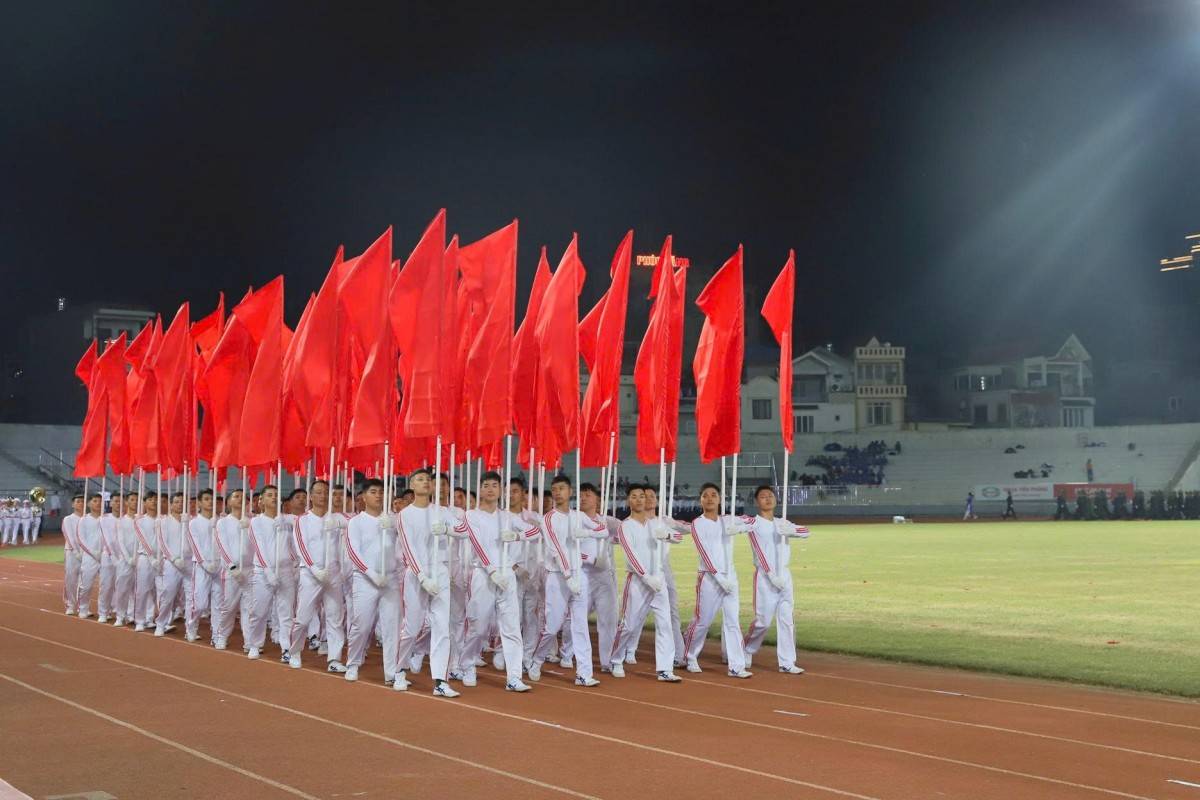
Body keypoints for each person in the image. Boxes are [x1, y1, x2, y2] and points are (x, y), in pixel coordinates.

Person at [456, 471, 536, 692]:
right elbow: (477, 544)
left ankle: (514, 676)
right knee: (479, 626)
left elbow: (535, 532)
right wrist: (492, 571)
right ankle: (468, 664)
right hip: (483, 574)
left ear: (500, 490)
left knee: (511, 626)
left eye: (494, 485)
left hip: (507, 575)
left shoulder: (508, 517)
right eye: (485, 485)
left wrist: (518, 536)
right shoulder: (471, 515)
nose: (490, 489)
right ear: (480, 489)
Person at [526, 475, 606, 686]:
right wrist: (568, 575)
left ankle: (584, 673)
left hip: (579, 576)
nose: (558, 492)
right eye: (554, 489)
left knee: (580, 625)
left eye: (562, 488)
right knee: (553, 626)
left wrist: (586, 532)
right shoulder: (549, 519)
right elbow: (556, 549)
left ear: (570, 492)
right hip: (558, 577)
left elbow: (603, 530)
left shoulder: (579, 516)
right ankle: (537, 659)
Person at [394, 470, 461, 696]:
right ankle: (400, 670)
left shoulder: (442, 512)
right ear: (412, 484)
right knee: (412, 627)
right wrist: (422, 576)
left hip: (440, 570)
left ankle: (440, 680)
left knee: (442, 627)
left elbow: (465, 530)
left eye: (429, 480)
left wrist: (447, 529)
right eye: (420, 479)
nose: (426, 483)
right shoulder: (405, 514)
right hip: (416, 574)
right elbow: (408, 548)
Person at [610, 484, 682, 682]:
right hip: (638, 582)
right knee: (629, 626)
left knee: (665, 623)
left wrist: (665, 535)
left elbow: (677, 537)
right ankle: (616, 659)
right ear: (628, 501)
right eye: (634, 496)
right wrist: (646, 577)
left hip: (659, 580)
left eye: (642, 496)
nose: (639, 500)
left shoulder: (656, 523)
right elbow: (630, 555)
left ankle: (665, 668)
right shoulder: (625, 526)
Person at [681, 483, 752, 678]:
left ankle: (737, 666)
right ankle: (690, 655)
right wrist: (719, 578)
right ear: (701, 500)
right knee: (703, 621)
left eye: (714, 495)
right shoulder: (698, 523)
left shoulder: (728, 520)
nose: (710, 498)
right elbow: (704, 553)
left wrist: (739, 527)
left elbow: (751, 521)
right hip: (709, 578)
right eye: (706, 495)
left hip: (731, 577)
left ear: (720, 499)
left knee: (732, 621)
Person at [743, 485, 809, 674]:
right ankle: (747, 648)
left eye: (770, 496)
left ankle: (787, 661)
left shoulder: (782, 522)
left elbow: (806, 532)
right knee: (763, 621)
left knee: (787, 619)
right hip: (765, 577)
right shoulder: (754, 523)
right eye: (763, 496)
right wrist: (771, 575)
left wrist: (791, 531)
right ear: (757, 501)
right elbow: (759, 551)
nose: (768, 499)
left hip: (785, 576)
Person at [287, 479, 347, 673]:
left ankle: (334, 658)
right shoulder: (302, 520)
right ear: (311, 496)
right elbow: (300, 547)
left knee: (335, 617)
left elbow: (355, 528)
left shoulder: (339, 518)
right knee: (303, 617)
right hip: (310, 574)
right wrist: (314, 569)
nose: (322, 496)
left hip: (333, 573)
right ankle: (294, 651)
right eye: (318, 492)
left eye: (325, 492)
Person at [577, 482, 620, 674]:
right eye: (581, 495)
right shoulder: (574, 521)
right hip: (582, 574)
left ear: (598, 500)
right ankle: (569, 654)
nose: (584, 498)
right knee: (576, 618)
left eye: (588, 494)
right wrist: (591, 559)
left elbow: (626, 535)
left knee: (608, 619)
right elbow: (568, 550)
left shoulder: (608, 522)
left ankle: (608, 660)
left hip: (604, 577)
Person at [213, 488, 252, 650]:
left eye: (243, 497)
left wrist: (249, 527)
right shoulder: (223, 522)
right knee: (229, 607)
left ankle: (249, 641)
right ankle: (221, 635)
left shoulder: (252, 521)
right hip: (231, 572)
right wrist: (231, 566)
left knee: (249, 608)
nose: (240, 499)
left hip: (250, 570)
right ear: (229, 502)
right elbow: (222, 546)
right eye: (236, 496)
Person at [185, 489, 222, 643]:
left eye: (212, 499)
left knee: (219, 603)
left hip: (220, 566)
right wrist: (205, 564)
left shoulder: (220, 521)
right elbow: (195, 545)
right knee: (200, 604)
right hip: (201, 566)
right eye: (206, 499)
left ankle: (217, 635)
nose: (210, 502)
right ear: (199, 502)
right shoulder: (194, 522)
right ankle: (191, 627)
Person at [155, 492, 190, 637]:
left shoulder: (189, 520)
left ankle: (190, 629)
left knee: (190, 597)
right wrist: (173, 559)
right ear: (171, 504)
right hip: (171, 563)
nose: (179, 504)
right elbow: (162, 542)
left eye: (182, 502)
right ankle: (160, 624)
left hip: (188, 563)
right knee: (168, 595)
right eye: (176, 502)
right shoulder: (163, 521)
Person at [74, 494, 105, 619]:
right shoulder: (83, 520)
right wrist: (93, 553)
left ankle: (104, 611)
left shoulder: (106, 519)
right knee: (86, 585)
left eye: (100, 501)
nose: (98, 503)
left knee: (106, 586)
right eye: (95, 501)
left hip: (105, 557)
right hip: (89, 556)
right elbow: (81, 539)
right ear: (89, 504)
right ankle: (83, 608)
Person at [111, 492, 139, 627]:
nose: (135, 502)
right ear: (126, 502)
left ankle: (132, 614)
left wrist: (137, 557)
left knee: (137, 590)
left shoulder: (141, 520)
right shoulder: (121, 521)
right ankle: (120, 615)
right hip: (125, 560)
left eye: (137, 500)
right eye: (132, 500)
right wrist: (128, 558)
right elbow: (120, 541)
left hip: (140, 560)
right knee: (122, 589)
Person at [61, 494, 84, 615]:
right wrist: (76, 551)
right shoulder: (68, 519)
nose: (80, 503)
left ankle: (82, 606)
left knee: (85, 581)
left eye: (82, 501)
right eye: (78, 501)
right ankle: (70, 604)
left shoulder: (87, 518)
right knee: (71, 578)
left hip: (86, 553)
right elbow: (69, 536)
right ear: (73, 504)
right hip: (71, 552)